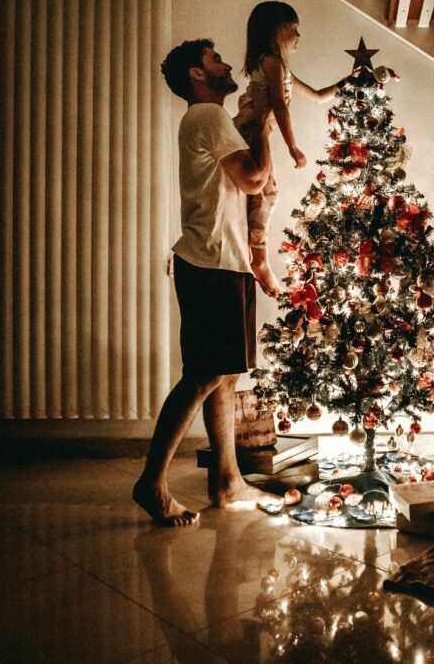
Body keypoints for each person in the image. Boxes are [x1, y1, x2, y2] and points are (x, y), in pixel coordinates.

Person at [133, 38, 280, 526]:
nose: (223, 65)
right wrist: (263, 119)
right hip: (211, 262)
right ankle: (152, 482)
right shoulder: (208, 117)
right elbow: (255, 178)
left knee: (223, 372)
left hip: (224, 260)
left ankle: (227, 480)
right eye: (214, 60)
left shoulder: (208, 122)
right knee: (203, 373)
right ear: (197, 75)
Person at [234, 1, 338, 298]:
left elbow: (318, 97)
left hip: (254, 135)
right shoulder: (271, 62)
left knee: (261, 196)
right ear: (275, 31)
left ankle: (256, 257)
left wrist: (350, 81)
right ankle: (260, 261)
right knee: (266, 193)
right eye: (293, 29)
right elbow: (278, 106)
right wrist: (294, 148)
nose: (298, 36)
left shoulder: (279, 67)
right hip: (248, 133)